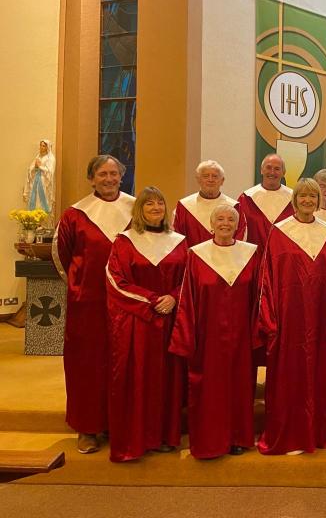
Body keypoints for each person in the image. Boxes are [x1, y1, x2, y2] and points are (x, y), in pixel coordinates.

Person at [53, 155, 134, 454]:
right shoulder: (75, 214)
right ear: (91, 179)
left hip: (127, 301)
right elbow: (63, 255)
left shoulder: (135, 208)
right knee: (87, 364)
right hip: (88, 302)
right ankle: (87, 427)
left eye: (114, 173)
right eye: (102, 174)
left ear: (121, 177)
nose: (109, 179)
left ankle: (118, 424)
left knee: (124, 361)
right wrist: (81, 286)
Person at [169, 205, 261, 459]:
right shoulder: (197, 255)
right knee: (210, 388)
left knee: (241, 386)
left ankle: (238, 437)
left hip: (241, 335)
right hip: (208, 336)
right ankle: (211, 441)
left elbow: (258, 297)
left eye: (230, 219)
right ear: (211, 225)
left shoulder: (250, 254)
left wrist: (257, 333)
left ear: (237, 225)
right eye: (219, 219)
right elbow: (188, 298)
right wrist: (188, 337)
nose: (225, 222)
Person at [106, 187, 187, 462]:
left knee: (167, 379)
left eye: (160, 203)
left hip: (170, 322)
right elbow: (116, 281)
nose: (155, 207)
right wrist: (153, 301)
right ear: (139, 209)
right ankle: (135, 440)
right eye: (149, 203)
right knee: (136, 378)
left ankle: (163, 436)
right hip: (137, 323)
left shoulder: (178, 241)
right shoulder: (125, 241)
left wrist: (174, 298)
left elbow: (188, 278)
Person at [258, 178, 326, 455]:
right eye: (302, 196)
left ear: (318, 200)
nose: (307, 200)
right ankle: (290, 434)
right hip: (288, 316)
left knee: (318, 372)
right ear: (295, 200)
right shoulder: (279, 232)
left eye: (312, 196)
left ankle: (316, 432)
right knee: (289, 374)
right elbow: (267, 278)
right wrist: (270, 319)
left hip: (320, 314)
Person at [173, 160, 246, 246]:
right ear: (198, 180)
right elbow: (177, 237)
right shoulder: (184, 206)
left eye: (215, 176)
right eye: (206, 176)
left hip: (227, 257)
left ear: (222, 181)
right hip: (193, 258)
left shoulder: (234, 207)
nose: (210, 180)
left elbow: (241, 235)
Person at [237, 154, 293, 250]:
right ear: (261, 170)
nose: (272, 172)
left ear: (283, 172)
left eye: (277, 169)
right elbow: (239, 232)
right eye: (268, 167)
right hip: (255, 257)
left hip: (284, 258)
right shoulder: (246, 198)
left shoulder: (293, 199)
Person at [23, 139, 56, 215]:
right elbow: (30, 169)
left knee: (43, 200)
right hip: (36, 181)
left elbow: (50, 171)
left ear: (47, 147)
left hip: (44, 182)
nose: (41, 147)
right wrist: (35, 167)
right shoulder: (38, 157)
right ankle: (34, 218)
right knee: (35, 198)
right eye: (40, 145)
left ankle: (42, 220)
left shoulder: (50, 158)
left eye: (43, 146)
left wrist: (40, 167)